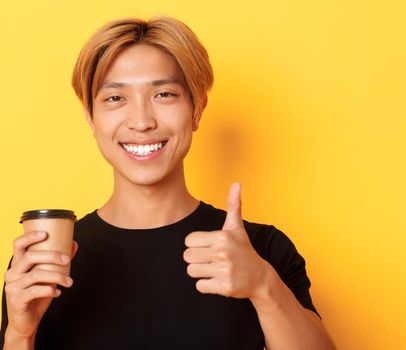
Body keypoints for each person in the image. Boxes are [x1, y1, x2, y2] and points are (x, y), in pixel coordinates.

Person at [0, 17, 335, 349]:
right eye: (116, 98)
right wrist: (20, 333)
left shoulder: (260, 249)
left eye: (163, 94)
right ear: (91, 117)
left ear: (197, 109)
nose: (142, 122)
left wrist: (264, 286)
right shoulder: (47, 262)